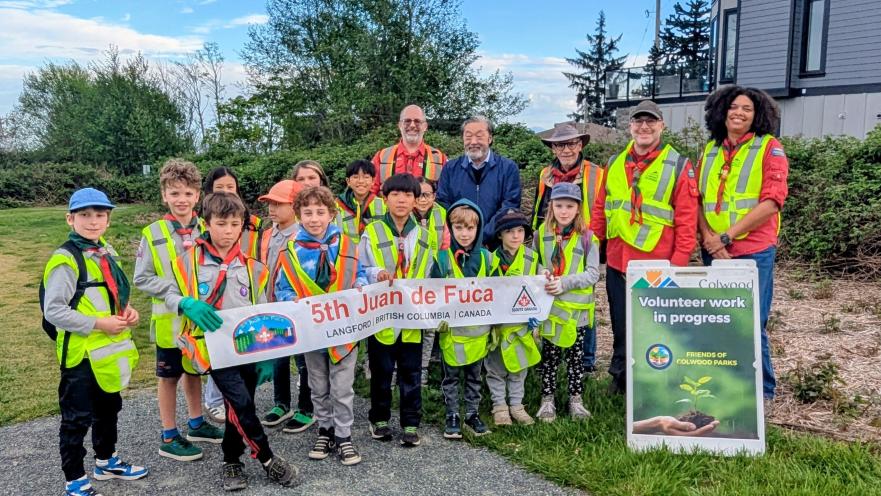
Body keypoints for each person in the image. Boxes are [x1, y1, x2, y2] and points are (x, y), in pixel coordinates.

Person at [166, 192, 299, 491]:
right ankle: (267, 458)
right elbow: (167, 294)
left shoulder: (253, 267)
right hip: (213, 349)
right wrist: (186, 303)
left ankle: (231, 460)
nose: (228, 231)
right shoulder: (186, 262)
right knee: (240, 402)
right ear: (206, 223)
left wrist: (267, 355)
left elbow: (263, 310)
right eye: (221, 223)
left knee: (239, 406)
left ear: (242, 226)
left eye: (234, 224)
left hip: (248, 348)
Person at [43, 187, 147, 496]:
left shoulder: (104, 250)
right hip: (80, 355)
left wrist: (128, 313)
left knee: (109, 409)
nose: (93, 221)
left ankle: (106, 461)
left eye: (99, 215)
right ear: (69, 219)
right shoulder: (66, 259)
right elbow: (54, 310)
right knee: (76, 419)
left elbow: (111, 293)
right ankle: (74, 479)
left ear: (108, 219)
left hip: (108, 353)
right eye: (85, 215)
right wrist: (98, 323)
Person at [591, 100, 699, 395]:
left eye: (650, 122)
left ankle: (655, 380)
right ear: (630, 127)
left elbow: (687, 219)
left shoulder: (678, 165)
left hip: (658, 262)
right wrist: (589, 250)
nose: (644, 127)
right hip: (618, 260)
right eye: (638, 122)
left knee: (656, 324)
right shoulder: (614, 163)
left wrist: (678, 263)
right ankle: (621, 376)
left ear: (661, 126)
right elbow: (602, 208)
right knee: (621, 322)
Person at [697, 86, 789, 401]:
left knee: (750, 321)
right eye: (733, 107)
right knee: (719, 320)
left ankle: (763, 393)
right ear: (721, 111)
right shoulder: (709, 149)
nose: (738, 113)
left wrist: (726, 237)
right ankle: (726, 386)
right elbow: (698, 199)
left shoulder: (769, 148)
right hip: (714, 250)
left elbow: (772, 202)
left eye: (746, 109)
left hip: (753, 251)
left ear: (757, 115)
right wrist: (710, 238)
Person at [134, 159, 223, 462]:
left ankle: (197, 424)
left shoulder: (209, 227)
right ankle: (169, 434)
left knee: (194, 370)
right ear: (164, 196)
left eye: (187, 193)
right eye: (174, 194)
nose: (181, 200)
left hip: (200, 320)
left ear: (198, 195)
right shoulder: (154, 232)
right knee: (169, 377)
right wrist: (178, 299)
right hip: (170, 321)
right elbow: (142, 278)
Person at [276, 186, 369, 466]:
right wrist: (291, 300)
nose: (314, 218)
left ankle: (343, 435)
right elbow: (283, 287)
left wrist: (360, 287)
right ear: (299, 215)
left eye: (320, 212)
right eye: (308, 213)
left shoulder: (347, 245)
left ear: (332, 213)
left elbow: (359, 274)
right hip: (312, 331)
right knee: (317, 384)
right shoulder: (291, 249)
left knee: (342, 386)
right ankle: (324, 430)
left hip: (344, 330)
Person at [359, 173, 434, 447]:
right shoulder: (373, 231)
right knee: (381, 371)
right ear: (385, 198)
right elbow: (361, 268)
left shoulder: (425, 235)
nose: (401, 200)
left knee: (411, 372)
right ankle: (379, 419)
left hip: (412, 316)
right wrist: (377, 273)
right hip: (382, 316)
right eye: (395, 194)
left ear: (417, 200)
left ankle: (411, 423)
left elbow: (428, 273)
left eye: (408, 195)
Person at [532, 122, 604, 373]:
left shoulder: (595, 173)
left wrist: (593, 237)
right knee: (552, 300)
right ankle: (551, 359)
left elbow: (602, 205)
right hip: (552, 239)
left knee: (583, 301)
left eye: (572, 143)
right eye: (561, 144)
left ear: (580, 145)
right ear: (553, 148)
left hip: (583, 240)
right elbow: (540, 206)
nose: (566, 149)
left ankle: (585, 361)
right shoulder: (546, 175)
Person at [201, 167, 265, 423]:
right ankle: (214, 402)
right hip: (213, 311)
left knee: (241, 359)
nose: (227, 192)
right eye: (220, 188)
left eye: (231, 187)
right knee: (218, 360)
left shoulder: (252, 225)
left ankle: (239, 414)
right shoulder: (204, 229)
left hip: (242, 291)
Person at [534, 183, 599, 422]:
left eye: (569, 206)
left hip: (577, 312)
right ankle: (547, 399)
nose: (564, 211)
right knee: (549, 357)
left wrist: (566, 282)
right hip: (551, 309)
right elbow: (535, 262)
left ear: (578, 209)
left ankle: (575, 400)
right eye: (559, 205)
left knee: (575, 358)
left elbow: (593, 274)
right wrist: (544, 274)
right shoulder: (541, 233)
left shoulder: (588, 238)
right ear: (551, 206)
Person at [432, 200, 493, 439]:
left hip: (478, 332)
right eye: (459, 228)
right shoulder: (442, 259)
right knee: (451, 376)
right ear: (451, 229)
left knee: (475, 376)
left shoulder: (488, 258)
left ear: (478, 229)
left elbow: (498, 293)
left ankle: (472, 413)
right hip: (452, 332)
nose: (464, 234)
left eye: (470, 228)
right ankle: (452, 413)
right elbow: (432, 292)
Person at [485, 210, 542, 426]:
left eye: (520, 231)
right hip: (497, 326)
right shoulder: (490, 259)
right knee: (496, 368)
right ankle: (499, 406)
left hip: (521, 326)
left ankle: (517, 405)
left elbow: (541, 287)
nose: (515, 236)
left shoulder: (532, 258)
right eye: (509, 231)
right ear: (500, 235)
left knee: (519, 367)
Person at [255, 180, 304, 428]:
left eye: (278, 204)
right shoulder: (267, 235)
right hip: (272, 304)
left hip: (296, 306)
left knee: (305, 357)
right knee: (278, 354)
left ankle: (307, 407)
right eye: (270, 204)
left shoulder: (303, 236)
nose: (271, 209)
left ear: (295, 206)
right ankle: (281, 403)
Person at [436, 115, 522, 242]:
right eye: (468, 136)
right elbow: (443, 204)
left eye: (479, 136)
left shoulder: (508, 168)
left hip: (495, 244)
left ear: (490, 138)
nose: (473, 141)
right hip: (458, 243)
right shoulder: (450, 168)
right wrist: (463, 233)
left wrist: (482, 236)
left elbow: (509, 206)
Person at [413, 176, 447, 384]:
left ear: (434, 196)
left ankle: (423, 368)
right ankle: (401, 370)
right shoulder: (405, 215)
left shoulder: (441, 214)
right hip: (411, 278)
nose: (422, 200)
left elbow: (446, 245)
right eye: (417, 195)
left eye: (426, 194)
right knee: (408, 326)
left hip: (434, 276)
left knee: (429, 326)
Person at [371, 104, 447, 194]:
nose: (412, 125)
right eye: (407, 121)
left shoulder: (440, 158)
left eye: (417, 121)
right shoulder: (381, 157)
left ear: (425, 126)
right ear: (400, 125)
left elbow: (445, 196)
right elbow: (370, 193)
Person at [336, 159, 387, 240]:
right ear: (348, 181)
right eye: (355, 177)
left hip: (373, 251)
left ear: (373, 181)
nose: (361, 181)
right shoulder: (338, 205)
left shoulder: (383, 204)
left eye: (366, 177)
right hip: (348, 251)